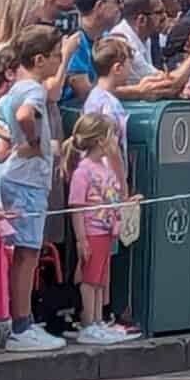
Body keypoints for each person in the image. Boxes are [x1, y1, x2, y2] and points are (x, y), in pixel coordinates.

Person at [0, 24, 62, 350]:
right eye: (56, 57)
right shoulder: (31, 90)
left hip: (17, 177)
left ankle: (19, 321)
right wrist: (31, 139)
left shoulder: (16, 87)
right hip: (27, 180)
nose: (59, 62)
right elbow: (22, 115)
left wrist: (12, 142)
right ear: (40, 59)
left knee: (23, 254)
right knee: (27, 254)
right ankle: (21, 325)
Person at [64, 109, 136, 345]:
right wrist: (81, 239)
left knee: (99, 279)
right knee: (89, 279)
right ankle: (88, 323)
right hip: (92, 232)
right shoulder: (83, 171)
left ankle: (97, 321)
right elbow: (76, 206)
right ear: (100, 140)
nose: (115, 141)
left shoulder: (105, 168)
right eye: (112, 136)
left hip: (107, 232)